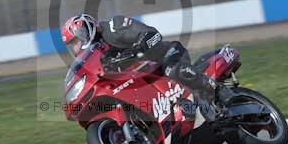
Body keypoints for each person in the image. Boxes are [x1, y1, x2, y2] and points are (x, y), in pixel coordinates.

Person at [61, 14, 235, 121]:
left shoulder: (114, 27)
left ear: (88, 27)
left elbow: (152, 34)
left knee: (172, 70)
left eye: (77, 40)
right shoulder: (97, 56)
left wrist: (138, 48)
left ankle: (217, 90)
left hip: (165, 55)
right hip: (147, 76)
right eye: (72, 45)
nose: (77, 47)